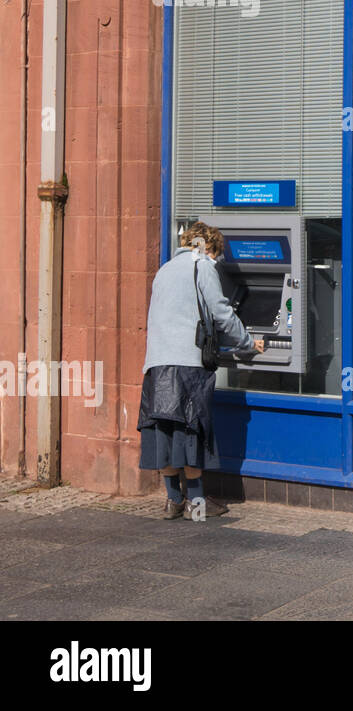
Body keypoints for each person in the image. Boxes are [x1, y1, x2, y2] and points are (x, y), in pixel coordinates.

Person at [138, 222, 264, 521]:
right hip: (188, 366)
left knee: (164, 433)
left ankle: (173, 500)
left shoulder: (165, 269)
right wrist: (247, 343)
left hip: (157, 364)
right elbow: (221, 312)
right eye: (217, 254)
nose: (217, 260)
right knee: (192, 432)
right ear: (210, 247)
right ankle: (196, 503)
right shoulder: (202, 265)